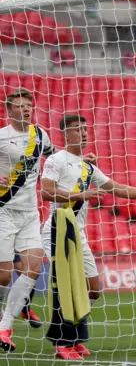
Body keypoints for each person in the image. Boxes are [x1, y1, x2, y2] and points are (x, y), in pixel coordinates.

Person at [40, 114, 136, 360]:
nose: (83, 132)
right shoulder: (55, 160)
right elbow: (46, 193)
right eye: (77, 129)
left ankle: (73, 336)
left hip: (78, 234)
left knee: (93, 289)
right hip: (57, 229)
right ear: (65, 134)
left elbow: (120, 189)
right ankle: (63, 342)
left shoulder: (88, 167)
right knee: (68, 287)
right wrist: (81, 196)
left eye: (85, 128)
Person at [0, 88, 56, 352]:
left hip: (30, 213)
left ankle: (5, 326)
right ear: (9, 110)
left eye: (28, 105)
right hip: (3, 211)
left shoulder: (40, 134)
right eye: (20, 106)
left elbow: (55, 158)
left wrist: (80, 161)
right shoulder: (1, 138)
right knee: (4, 274)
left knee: (33, 268)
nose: (25, 109)